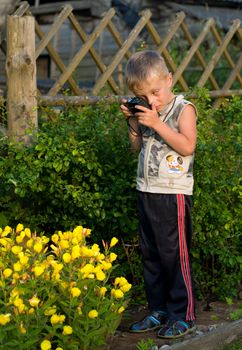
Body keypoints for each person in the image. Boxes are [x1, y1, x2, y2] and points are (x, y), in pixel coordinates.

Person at [120, 50, 197, 339]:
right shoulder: (149, 112)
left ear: (169, 79)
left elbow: (187, 146)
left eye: (156, 91)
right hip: (146, 191)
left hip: (172, 195)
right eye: (144, 96)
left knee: (174, 256)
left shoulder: (182, 108)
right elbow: (136, 148)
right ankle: (159, 309)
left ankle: (183, 314)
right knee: (151, 256)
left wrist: (156, 123)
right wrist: (134, 122)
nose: (152, 101)